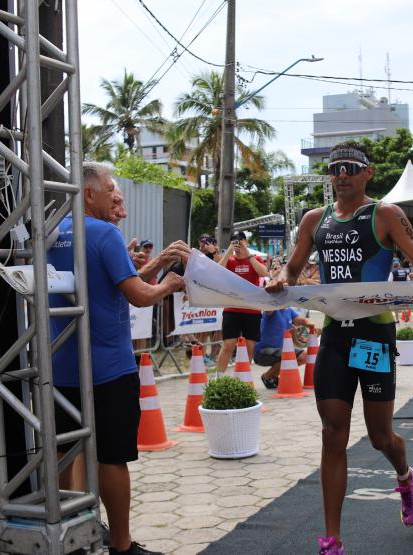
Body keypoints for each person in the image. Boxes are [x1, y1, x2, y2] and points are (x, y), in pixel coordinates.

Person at [266, 141, 413, 554]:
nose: (340, 174)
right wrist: (279, 277)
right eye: (334, 168)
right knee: (332, 433)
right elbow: (292, 268)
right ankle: (332, 541)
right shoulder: (314, 219)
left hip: (373, 336)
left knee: (380, 436)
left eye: (349, 167)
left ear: (368, 172)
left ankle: (404, 477)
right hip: (336, 337)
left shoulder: (386, 215)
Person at [48, 162, 189, 555]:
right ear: (89, 192)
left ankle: (71, 533)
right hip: (108, 366)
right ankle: (122, 546)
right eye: (114, 193)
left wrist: (155, 265)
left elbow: (107, 281)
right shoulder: (106, 234)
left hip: (61, 365)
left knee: (64, 450)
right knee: (112, 458)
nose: (119, 205)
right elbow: (139, 295)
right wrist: (171, 283)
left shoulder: (56, 232)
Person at [214, 230, 268, 377]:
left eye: (240, 241)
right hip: (232, 308)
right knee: (228, 344)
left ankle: (244, 377)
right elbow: (217, 271)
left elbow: (264, 273)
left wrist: (247, 254)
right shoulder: (230, 261)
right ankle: (219, 378)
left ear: (246, 242)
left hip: (252, 309)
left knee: (250, 345)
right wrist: (229, 251)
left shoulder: (255, 258)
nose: (238, 244)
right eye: (235, 241)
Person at [254, 308, 316, 389]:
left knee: (303, 357)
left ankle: (273, 376)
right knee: (290, 357)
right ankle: (267, 377)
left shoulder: (289, 311)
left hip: (277, 351)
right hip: (262, 351)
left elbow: (302, 321)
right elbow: (268, 310)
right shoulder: (271, 309)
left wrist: (312, 326)